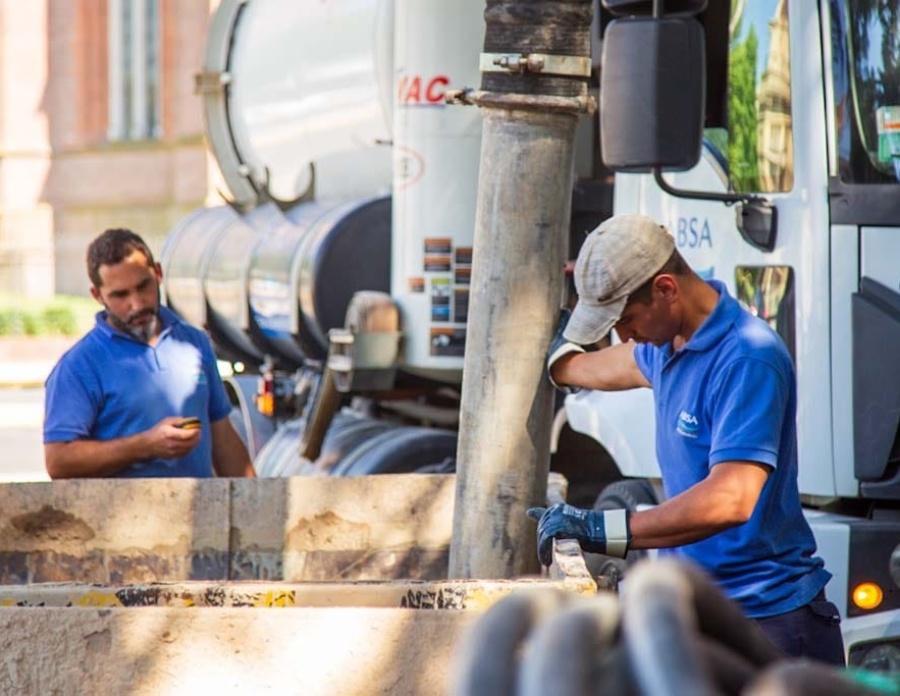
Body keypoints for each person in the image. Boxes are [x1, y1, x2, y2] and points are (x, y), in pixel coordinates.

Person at [530, 214, 845, 665]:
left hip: (768, 621)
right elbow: (597, 368)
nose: (623, 334)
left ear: (665, 289)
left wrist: (602, 528)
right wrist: (560, 360)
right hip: (702, 611)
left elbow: (730, 499)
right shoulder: (664, 346)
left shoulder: (747, 357)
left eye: (625, 319)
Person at [43, 228, 255, 479]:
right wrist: (144, 446)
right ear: (97, 295)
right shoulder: (80, 366)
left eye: (143, 286)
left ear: (158, 273)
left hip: (197, 513)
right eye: (120, 295)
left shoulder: (194, 343)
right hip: (119, 517)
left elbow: (223, 438)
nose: (137, 303)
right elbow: (59, 461)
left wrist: (256, 506)